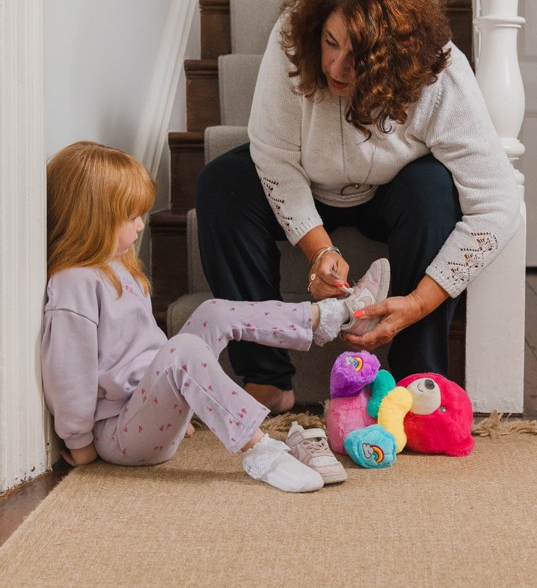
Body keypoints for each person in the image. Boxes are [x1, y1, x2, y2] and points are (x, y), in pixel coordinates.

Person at [196, 0, 520, 414]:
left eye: (360, 60)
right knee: (221, 183)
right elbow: (273, 155)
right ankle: (267, 377)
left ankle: (417, 379)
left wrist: (416, 302)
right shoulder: (293, 38)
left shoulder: (439, 73)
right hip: (306, 181)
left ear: (398, 63)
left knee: (435, 190)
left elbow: (499, 202)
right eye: (332, 43)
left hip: (393, 192)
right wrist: (319, 251)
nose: (338, 67)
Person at [41, 141, 390, 493]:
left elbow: (147, 351)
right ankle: (260, 450)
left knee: (212, 312)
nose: (141, 227)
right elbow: (69, 374)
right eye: (130, 218)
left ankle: (333, 315)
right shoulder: (73, 284)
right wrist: (79, 442)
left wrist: (170, 407)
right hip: (117, 435)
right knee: (183, 349)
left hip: (144, 416)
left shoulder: (120, 270)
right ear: (92, 220)